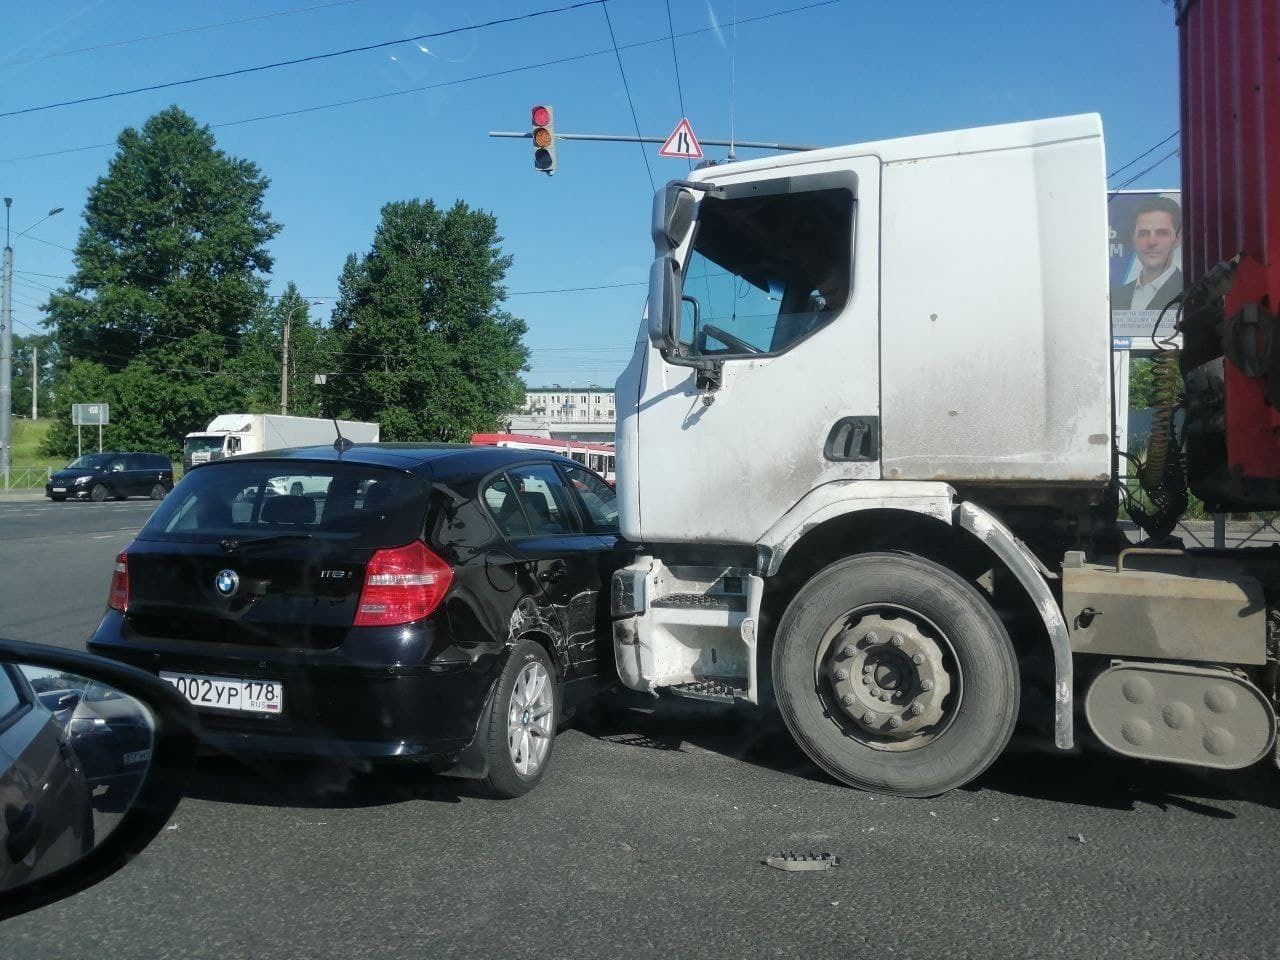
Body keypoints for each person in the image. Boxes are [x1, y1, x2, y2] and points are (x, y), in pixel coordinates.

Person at [1112, 195, 1183, 312]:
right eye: (1143, 233)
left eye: (1162, 233)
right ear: (1133, 240)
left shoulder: (1188, 292)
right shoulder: (1116, 296)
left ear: (1178, 239)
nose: (1152, 242)